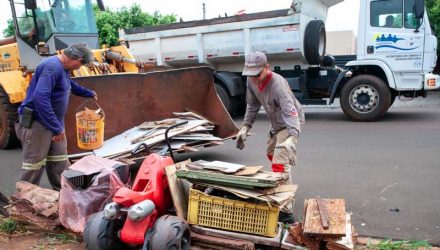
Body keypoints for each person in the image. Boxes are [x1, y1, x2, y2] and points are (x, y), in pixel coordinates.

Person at [15, 42, 97, 190]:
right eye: (80, 65)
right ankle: (22, 202)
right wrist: (56, 127)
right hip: (38, 123)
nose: (79, 68)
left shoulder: (63, 69)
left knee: (59, 161)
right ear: (77, 60)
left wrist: (88, 93)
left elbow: (68, 84)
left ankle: (63, 195)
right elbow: (40, 97)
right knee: (34, 165)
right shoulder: (52, 67)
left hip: (54, 124)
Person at [235, 51, 304, 223]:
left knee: (280, 164)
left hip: (290, 122)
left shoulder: (278, 85)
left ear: (267, 68)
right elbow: (252, 105)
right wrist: (245, 126)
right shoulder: (251, 81)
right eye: (250, 75)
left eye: (257, 74)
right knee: (271, 155)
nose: (254, 79)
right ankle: (281, 174)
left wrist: (292, 138)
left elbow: (291, 114)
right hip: (276, 124)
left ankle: (286, 211)